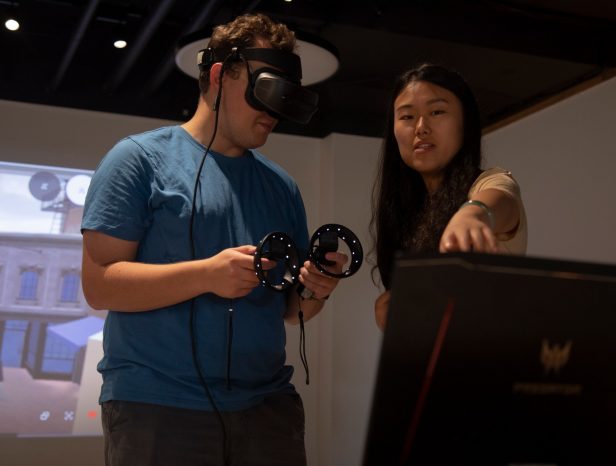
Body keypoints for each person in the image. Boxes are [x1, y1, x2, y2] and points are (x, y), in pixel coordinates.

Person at [81, 13, 344, 466]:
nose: (273, 112)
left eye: (285, 97)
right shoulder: (138, 160)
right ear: (220, 76)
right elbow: (100, 284)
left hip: (267, 412)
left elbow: (291, 311)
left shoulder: (281, 187)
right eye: (265, 90)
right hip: (158, 408)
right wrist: (207, 275)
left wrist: (316, 288)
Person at [370, 63, 527, 331]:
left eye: (437, 111)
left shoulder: (487, 182)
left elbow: (501, 199)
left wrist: (474, 213)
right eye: (407, 117)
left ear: (466, 123)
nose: (421, 127)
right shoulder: (409, 211)